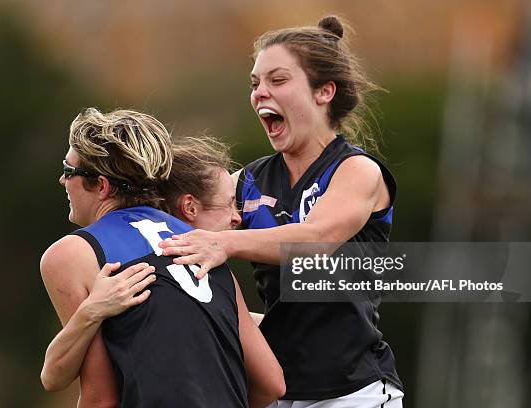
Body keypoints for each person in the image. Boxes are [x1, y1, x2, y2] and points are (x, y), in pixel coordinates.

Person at [160, 16, 404, 408]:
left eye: (277, 80)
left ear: (324, 91)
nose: (259, 93)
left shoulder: (357, 171)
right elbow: (183, 210)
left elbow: (318, 238)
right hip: (278, 389)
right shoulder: (248, 181)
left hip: (353, 390)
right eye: (255, 84)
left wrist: (223, 242)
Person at [40, 109, 284, 408]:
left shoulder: (71, 254)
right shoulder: (204, 246)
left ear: (102, 186)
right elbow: (272, 382)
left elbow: (101, 399)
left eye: (68, 170)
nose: (62, 180)